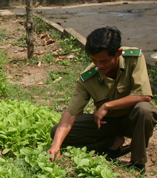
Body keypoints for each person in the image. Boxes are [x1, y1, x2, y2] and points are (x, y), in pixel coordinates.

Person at [47, 26, 157, 173]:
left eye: (104, 61)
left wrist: (107, 106)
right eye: (94, 60)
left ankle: (138, 162)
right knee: (57, 132)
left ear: (118, 53)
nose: (99, 65)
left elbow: (144, 95)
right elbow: (71, 113)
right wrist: (55, 145)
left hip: (133, 122)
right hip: (106, 124)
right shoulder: (88, 77)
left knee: (145, 109)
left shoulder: (134, 59)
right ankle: (114, 142)